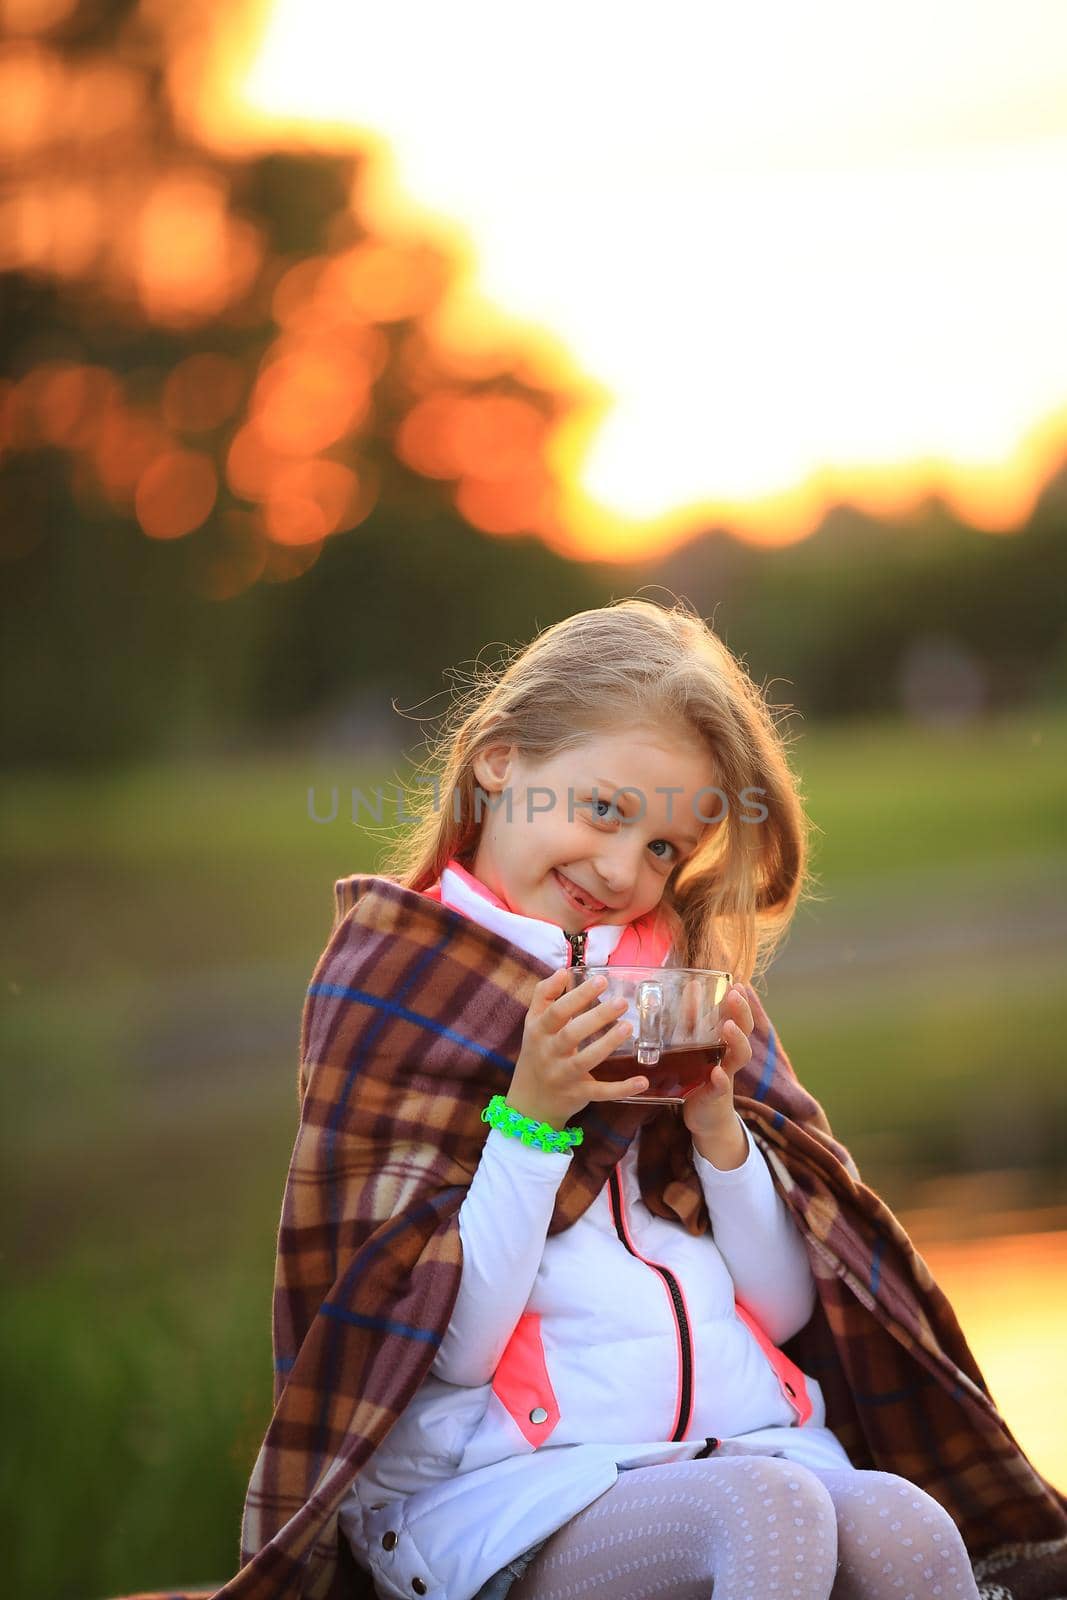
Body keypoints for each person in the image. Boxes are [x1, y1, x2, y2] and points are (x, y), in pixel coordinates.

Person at [229, 597, 1066, 1600]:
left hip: (725, 1439)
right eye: (603, 812)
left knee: (908, 1525)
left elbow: (787, 1306)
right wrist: (530, 1118)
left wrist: (719, 1131)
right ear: (500, 762)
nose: (623, 870)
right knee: (772, 1512)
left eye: (665, 847)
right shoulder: (402, 979)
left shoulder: (679, 991)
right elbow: (442, 1351)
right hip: (501, 1492)